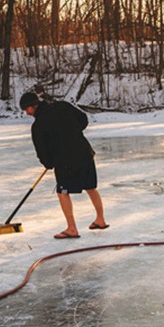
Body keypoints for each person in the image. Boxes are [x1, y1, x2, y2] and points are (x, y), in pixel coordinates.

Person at [20, 91, 109, 239]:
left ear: (33, 106)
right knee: (90, 187)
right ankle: (100, 220)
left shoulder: (38, 126)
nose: (26, 113)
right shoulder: (62, 106)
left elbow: (42, 152)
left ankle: (72, 228)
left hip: (66, 161)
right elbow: (83, 119)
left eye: (26, 109)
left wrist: (48, 163)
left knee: (63, 192)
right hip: (85, 152)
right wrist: (72, 133)